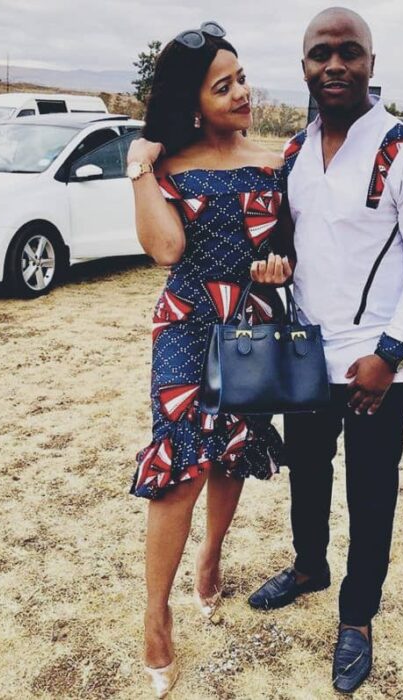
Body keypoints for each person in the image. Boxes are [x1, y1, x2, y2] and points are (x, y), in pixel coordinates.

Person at [249, 8, 403, 694]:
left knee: (370, 493)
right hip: (309, 354)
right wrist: (274, 265)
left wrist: (390, 354)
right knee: (307, 474)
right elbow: (292, 244)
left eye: (348, 52)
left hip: (376, 364)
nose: (333, 65)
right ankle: (309, 567)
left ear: (370, 63)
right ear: (304, 66)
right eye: (320, 53)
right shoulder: (295, 152)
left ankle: (358, 617)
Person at [126, 22, 292, 698]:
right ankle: (155, 613)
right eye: (223, 87)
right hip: (187, 325)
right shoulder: (165, 165)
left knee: (233, 449)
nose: (242, 93)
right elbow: (166, 250)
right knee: (178, 466)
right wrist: (139, 166)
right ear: (192, 102)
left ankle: (213, 553)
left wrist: (280, 267)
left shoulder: (276, 162)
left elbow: (288, 246)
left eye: (241, 79)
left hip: (251, 324)